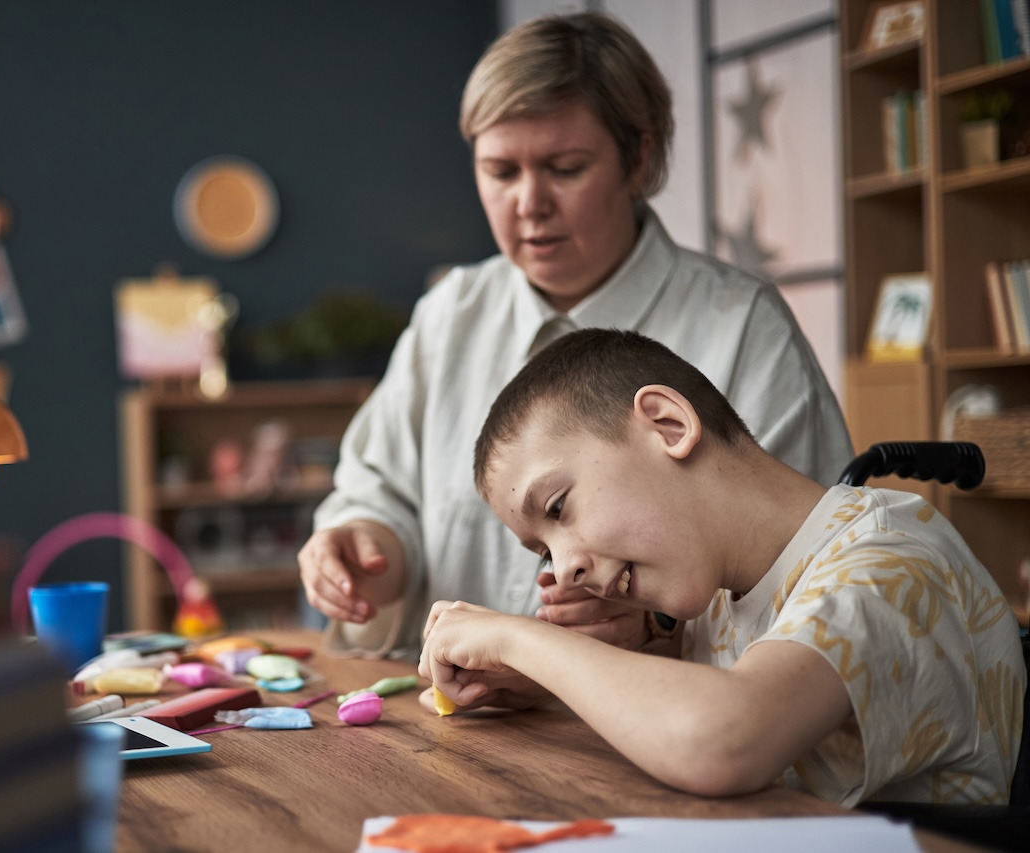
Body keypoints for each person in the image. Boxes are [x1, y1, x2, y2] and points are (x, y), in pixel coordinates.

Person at [299, 11, 852, 661]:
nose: (529, 202)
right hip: (454, 725)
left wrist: (660, 627)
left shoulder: (742, 327)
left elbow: (814, 574)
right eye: (501, 172)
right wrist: (366, 547)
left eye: (564, 168)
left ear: (637, 158)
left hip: (658, 740)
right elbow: (378, 490)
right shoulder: (449, 315)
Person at [420, 328, 1024, 806]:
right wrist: (536, 682)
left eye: (557, 508)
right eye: (545, 552)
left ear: (669, 425)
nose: (565, 569)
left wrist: (519, 640)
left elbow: (724, 739)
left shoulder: (889, 563)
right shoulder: (723, 594)